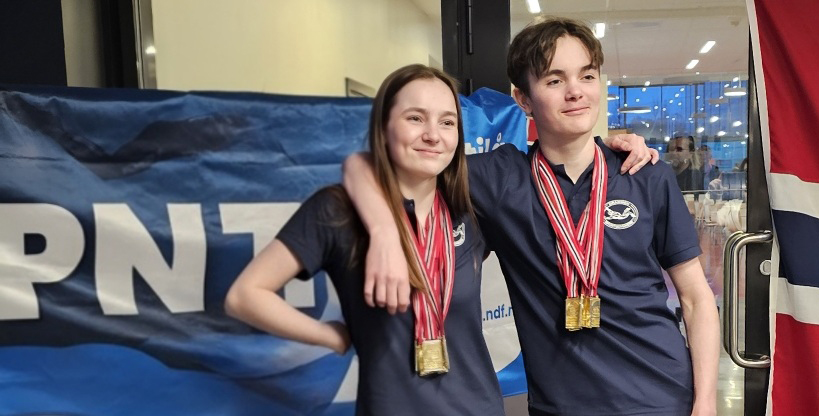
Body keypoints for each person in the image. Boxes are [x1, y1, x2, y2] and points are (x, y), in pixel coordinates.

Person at [344, 16, 720, 416]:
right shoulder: (499, 178)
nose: (576, 91)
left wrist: (706, 402)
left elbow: (695, 298)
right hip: (561, 405)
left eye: (587, 76)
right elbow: (366, 166)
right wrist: (383, 233)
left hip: (662, 396)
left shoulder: (644, 173)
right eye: (555, 80)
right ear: (523, 99)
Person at [225, 64, 507, 416]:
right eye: (415, 118)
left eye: (447, 122)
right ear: (383, 127)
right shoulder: (338, 211)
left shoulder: (470, 206)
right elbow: (244, 296)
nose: (433, 135)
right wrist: (331, 335)